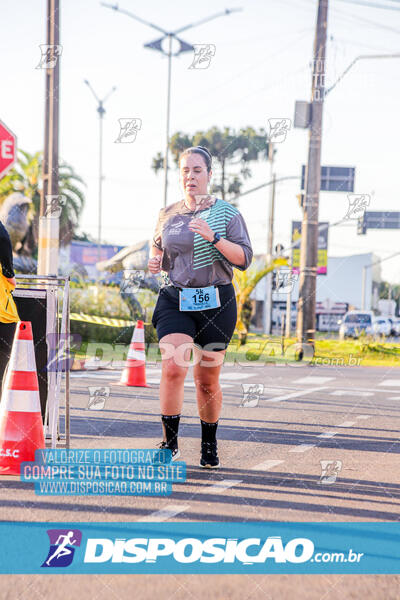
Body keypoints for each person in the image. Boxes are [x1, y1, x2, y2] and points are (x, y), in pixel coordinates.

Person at [148, 146, 253, 468]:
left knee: (206, 380)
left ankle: (209, 444)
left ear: (209, 174)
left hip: (216, 302)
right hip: (175, 299)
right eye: (184, 170)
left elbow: (244, 259)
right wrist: (154, 261)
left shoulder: (227, 214)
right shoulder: (168, 213)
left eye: (196, 170)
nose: (190, 176)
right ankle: (170, 443)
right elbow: (160, 252)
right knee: (173, 367)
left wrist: (214, 237)